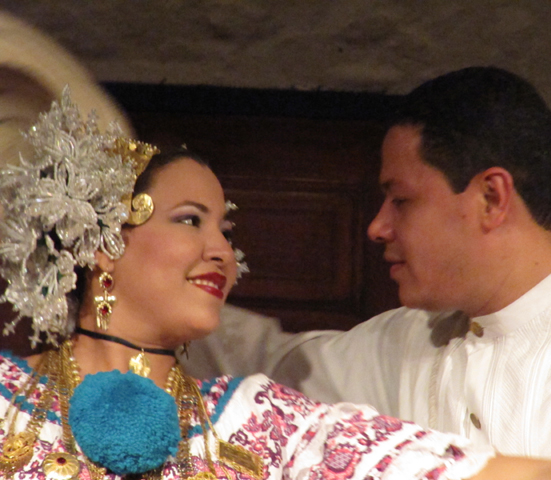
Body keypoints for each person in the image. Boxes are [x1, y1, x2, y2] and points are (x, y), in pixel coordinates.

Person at [0, 90, 503, 480]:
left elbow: (447, 469)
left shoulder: (259, 421)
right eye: (191, 220)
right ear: (103, 245)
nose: (223, 251)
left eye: (226, 230)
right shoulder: (7, 401)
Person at [184, 67, 551, 464]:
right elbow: (258, 365)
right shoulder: (402, 344)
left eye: (401, 200)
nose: (378, 227)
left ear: (491, 197)